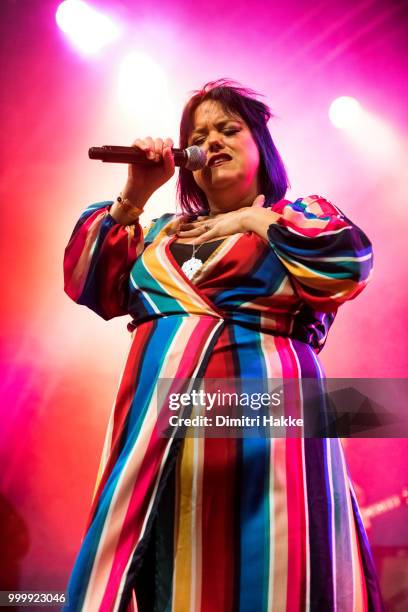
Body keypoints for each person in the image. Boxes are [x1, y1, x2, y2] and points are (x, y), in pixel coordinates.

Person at [63, 80, 383, 611]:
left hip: (274, 450)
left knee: (279, 584)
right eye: (198, 134)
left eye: (227, 129)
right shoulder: (159, 232)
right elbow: (86, 280)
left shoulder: (300, 215)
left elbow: (346, 265)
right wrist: (136, 193)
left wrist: (253, 219)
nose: (210, 141)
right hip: (163, 450)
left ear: (260, 146)